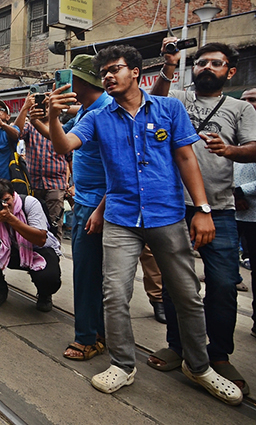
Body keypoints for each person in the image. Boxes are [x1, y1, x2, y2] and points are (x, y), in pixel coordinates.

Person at [48, 44, 242, 405]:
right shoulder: (96, 117)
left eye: (114, 69)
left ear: (135, 72)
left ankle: (198, 366)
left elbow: (186, 157)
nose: (107, 76)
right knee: (115, 293)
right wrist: (54, 117)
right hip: (120, 218)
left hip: (166, 214)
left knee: (186, 294)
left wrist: (202, 208)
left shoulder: (168, 108)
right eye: (103, 71)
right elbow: (64, 147)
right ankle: (123, 363)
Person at [148, 39, 256, 394]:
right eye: (201, 63)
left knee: (224, 284)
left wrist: (231, 149)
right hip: (173, 206)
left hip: (220, 208)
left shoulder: (241, 109)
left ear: (230, 71)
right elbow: (155, 99)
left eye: (216, 63)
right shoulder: (178, 98)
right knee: (179, 282)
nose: (207, 68)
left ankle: (219, 354)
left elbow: (253, 148)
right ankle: (178, 346)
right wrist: (169, 64)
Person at [0, 179, 61, 311]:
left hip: (39, 250)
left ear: (13, 194)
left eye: (6, 200)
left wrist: (11, 219)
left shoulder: (29, 203)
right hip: (11, 250)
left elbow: (40, 239)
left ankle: (45, 294)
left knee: (49, 280)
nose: (4, 205)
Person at [13, 95, 68, 241]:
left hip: (56, 184)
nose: (44, 109)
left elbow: (69, 158)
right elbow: (16, 133)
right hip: (34, 183)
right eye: (42, 106)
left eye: (47, 106)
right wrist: (25, 108)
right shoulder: (31, 127)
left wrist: (70, 184)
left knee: (55, 223)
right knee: (34, 223)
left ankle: (54, 254)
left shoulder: (62, 129)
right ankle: (37, 255)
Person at [234, 88, 256, 339]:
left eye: (252, 100)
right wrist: (234, 194)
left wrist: (242, 191)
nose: (248, 105)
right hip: (232, 209)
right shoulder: (235, 133)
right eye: (244, 100)